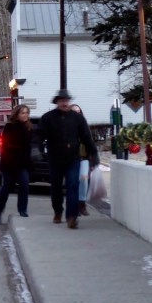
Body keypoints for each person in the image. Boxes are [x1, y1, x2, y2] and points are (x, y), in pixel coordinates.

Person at [38, 90, 99, 229]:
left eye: (67, 100)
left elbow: (86, 137)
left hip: (73, 158)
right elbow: (39, 136)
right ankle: (58, 210)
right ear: (57, 102)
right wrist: (36, 149)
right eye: (62, 100)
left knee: (73, 186)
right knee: (56, 187)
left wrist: (93, 154)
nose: (65, 103)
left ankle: (72, 217)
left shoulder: (77, 118)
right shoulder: (48, 118)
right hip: (55, 159)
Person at [0, 104, 32, 223]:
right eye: (22, 113)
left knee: (24, 184)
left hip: (22, 163)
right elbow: (7, 144)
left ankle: (22, 209)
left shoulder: (28, 127)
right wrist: (18, 150)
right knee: (6, 187)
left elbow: (29, 146)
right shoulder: (10, 127)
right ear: (17, 114)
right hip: (10, 162)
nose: (25, 115)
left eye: (26, 113)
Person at [70, 103, 91, 216]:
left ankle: (82, 203)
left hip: (83, 157)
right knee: (73, 182)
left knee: (83, 178)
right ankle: (74, 206)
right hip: (71, 158)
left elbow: (89, 142)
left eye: (78, 112)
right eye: (74, 112)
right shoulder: (66, 126)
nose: (77, 114)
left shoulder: (84, 126)